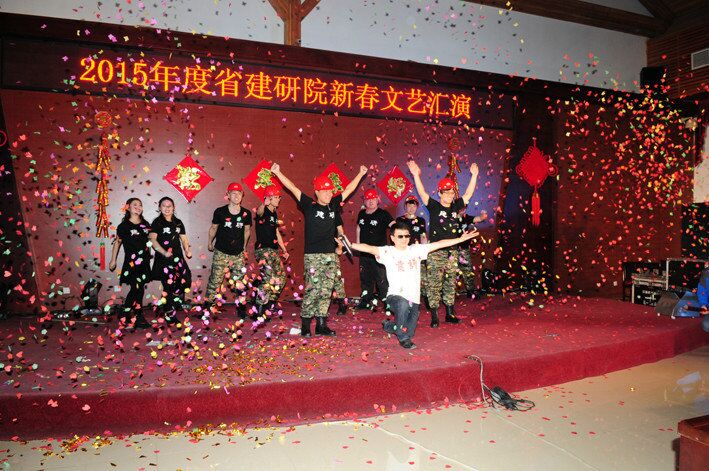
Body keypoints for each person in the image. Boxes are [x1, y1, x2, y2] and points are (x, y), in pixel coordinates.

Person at [270, 162, 367, 337]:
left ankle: (322, 324)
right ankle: (306, 325)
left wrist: (360, 174)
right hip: (313, 256)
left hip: (330, 255)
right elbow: (292, 188)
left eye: (330, 191)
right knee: (312, 290)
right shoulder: (310, 205)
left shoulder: (334, 204)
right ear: (317, 192)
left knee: (326, 291)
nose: (329, 194)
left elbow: (349, 189)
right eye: (325, 191)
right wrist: (278, 172)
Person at [351, 221, 479, 349]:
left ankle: (389, 326)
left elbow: (439, 243)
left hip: (414, 300)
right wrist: (350, 244)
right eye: (400, 236)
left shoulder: (416, 250)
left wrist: (460, 239)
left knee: (409, 332)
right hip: (394, 297)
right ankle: (403, 339)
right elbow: (368, 248)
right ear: (392, 238)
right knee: (403, 307)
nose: (404, 239)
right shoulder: (387, 251)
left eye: (407, 236)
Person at [407, 159, 479, 327]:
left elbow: (468, 194)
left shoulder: (455, 206)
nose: (450, 195)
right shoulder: (434, 206)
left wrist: (474, 175)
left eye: (452, 193)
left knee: (450, 282)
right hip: (435, 252)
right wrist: (416, 175)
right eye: (446, 193)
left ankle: (449, 313)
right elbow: (422, 193)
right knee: (434, 283)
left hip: (452, 252)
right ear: (440, 193)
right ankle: (434, 315)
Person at [205, 182, 252, 318]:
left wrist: (244, 247)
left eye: (239, 193)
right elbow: (214, 228)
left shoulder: (246, 213)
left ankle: (241, 309)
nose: (236, 196)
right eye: (233, 193)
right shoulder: (220, 212)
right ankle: (208, 307)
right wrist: (209, 242)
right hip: (221, 252)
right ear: (228, 195)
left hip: (237, 254)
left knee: (240, 283)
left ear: (242, 195)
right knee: (215, 281)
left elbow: (247, 231)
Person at [108, 198, 152, 329]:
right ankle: (137, 315)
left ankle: (126, 312)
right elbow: (118, 242)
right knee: (136, 288)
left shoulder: (146, 224)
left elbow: (149, 241)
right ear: (128, 207)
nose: (138, 207)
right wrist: (113, 260)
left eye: (140, 205)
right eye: (135, 205)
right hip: (131, 263)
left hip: (144, 262)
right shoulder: (124, 226)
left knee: (139, 289)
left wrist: (149, 255)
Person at [149, 196, 192, 324]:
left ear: (174, 208)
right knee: (168, 285)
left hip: (178, 258)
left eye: (169, 206)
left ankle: (170, 302)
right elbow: (152, 240)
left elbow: (184, 239)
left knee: (186, 279)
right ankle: (169, 313)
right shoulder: (157, 222)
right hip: (164, 259)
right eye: (164, 206)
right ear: (159, 208)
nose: (167, 208)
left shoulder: (178, 222)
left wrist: (187, 250)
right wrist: (164, 252)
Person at [254, 185, 289, 318]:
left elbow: (276, 232)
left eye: (279, 197)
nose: (278, 199)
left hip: (273, 250)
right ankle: (259, 309)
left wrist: (284, 249)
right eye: (276, 197)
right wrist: (264, 203)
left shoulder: (274, 213)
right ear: (268, 198)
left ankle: (269, 304)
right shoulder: (263, 210)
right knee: (268, 278)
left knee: (281, 278)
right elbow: (259, 212)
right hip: (263, 250)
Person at [356, 189, 394, 311]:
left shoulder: (383, 214)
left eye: (373, 199)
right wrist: (358, 245)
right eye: (368, 199)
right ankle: (366, 300)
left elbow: (393, 225)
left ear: (378, 200)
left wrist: (398, 237)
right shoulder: (361, 214)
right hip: (364, 253)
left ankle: (387, 302)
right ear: (364, 201)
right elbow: (358, 228)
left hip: (379, 253)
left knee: (381, 279)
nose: (371, 201)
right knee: (365, 277)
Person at [457, 209, 488, 298]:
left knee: (468, 271)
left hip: (464, 249)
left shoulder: (467, 218)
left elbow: (478, 219)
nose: (463, 210)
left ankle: (470, 291)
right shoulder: (451, 217)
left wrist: (483, 216)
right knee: (450, 273)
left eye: (465, 208)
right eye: (461, 208)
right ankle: (448, 294)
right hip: (452, 249)